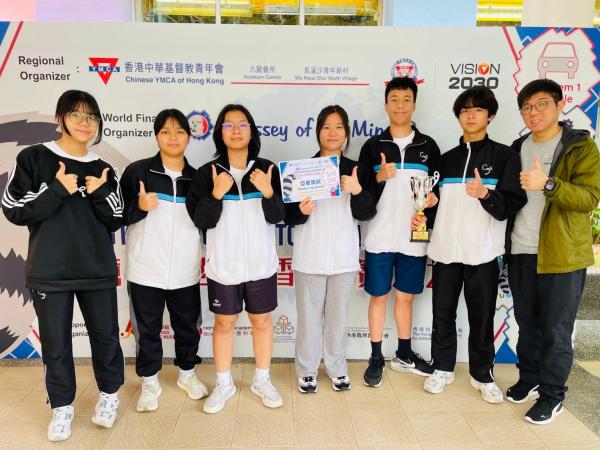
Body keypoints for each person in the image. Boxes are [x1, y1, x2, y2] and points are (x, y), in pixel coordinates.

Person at [1, 90, 125, 441]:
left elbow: (116, 218)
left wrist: (100, 192)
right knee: (56, 344)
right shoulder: (34, 157)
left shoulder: (104, 167)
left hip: (96, 269)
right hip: (49, 271)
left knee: (106, 338)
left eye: (91, 117)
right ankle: (61, 407)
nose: (85, 123)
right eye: (76, 115)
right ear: (60, 118)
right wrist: (56, 189)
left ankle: (109, 396)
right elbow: (13, 208)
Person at [506, 78, 600, 424]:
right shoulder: (517, 147)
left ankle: (552, 395)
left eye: (541, 104)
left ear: (560, 105)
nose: (533, 113)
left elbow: (589, 198)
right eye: (527, 108)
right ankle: (529, 378)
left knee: (556, 329)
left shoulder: (580, 148)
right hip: (521, 250)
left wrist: (547, 183)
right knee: (527, 323)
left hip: (561, 255)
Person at [425, 86, 526, 403]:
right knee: (442, 314)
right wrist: (427, 208)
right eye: (465, 110)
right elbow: (433, 208)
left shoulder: (505, 157)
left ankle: (482, 374)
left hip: (483, 253)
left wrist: (485, 194)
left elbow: (510, 206)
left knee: (481, 318)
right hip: (445, 252)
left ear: (490, 115)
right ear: (458, 116)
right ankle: (442, 368)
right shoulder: (445, 160)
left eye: (478, 109)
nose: (471, 115)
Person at [186, 104, 285, 413]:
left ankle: (262, 380)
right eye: (228, 125)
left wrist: (268, 192)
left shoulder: (267, 169)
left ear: (252, 131)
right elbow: (201, 221)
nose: (236, 130)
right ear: (220, 133)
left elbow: (279, 216)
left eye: (242, 124)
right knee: (224, 323)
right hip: (224, 267)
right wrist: (216, 194)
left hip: (260, 265)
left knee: (262, 321)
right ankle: (224, 383)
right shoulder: (207, 174)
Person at [121, 109, 208, 412]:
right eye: (166, 131)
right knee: (147, 330)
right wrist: (139, 206)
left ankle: (187, 374)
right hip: (145, 269)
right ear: (156, 135)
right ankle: (149, 382)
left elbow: (207, 220)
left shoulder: (197, 178)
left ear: (189, 137)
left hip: (185, 270)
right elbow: (116, 215)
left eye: (180, 131)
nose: (173, 138)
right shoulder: (137, 172)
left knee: (188, 327)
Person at [285, 105, 376, 394]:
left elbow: (367, 213)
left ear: (346, 132)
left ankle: (337, 369)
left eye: (338, 127)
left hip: (344, 258)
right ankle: (307, 371)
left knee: (338, 319)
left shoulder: (357, 170)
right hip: (309, 257)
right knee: (309, 319)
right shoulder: (301, 170)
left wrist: (357, 190)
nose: (332, 133)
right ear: (318, 132)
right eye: (326, 127)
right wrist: (301, 210)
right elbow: (288, 216)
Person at [358, 76, 440, 387]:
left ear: (414, 104)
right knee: (379, 297)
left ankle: (404, 353)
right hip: (378, 237)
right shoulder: (373, 147)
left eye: (406, 99)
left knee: (405, 297)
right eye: (394, 99)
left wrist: (432, 203)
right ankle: (376, 356)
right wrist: (378, 177)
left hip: (414, 240)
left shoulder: (428, 147)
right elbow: (359, 194)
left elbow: (436, 192)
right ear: (386, 105)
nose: (400, 105)